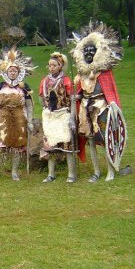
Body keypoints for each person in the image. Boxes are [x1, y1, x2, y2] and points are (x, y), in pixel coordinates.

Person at [71, 23, 127, 182]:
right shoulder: (81, 74)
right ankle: (96, 171)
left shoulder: (104, 73)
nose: (88, 54)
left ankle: (110, 169)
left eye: (92, 52)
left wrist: (112, 106)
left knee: (106, 137)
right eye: (86, 52)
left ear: (97, 53)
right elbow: (81, 91)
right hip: (85, 109)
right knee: (90, 139)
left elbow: (110, 92)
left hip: (101, 108)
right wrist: (78, 97)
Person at [0, 47, 36, 182]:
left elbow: (29, 105)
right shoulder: (0, 86)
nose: (13, 73)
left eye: (15, 71)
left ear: (19, 72)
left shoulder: (24, 87)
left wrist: (30, 121)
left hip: (19, 119)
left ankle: (14, 171)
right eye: (10, 70)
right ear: (6, 72)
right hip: (2, 119)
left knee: (17, 146)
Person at [38, 52, 77, 183]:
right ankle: (51, 174)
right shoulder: (44, 81)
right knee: (50, 144)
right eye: (49, 65)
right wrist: (45, 108)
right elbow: (41, 97)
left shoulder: (66, 80)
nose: (51, 67)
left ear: (60, 66)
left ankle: (71, 174)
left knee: (67, 144)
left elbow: (72, 99)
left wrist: (72, 117)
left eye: (54, 65)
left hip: (63, 114)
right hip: (50, 116)